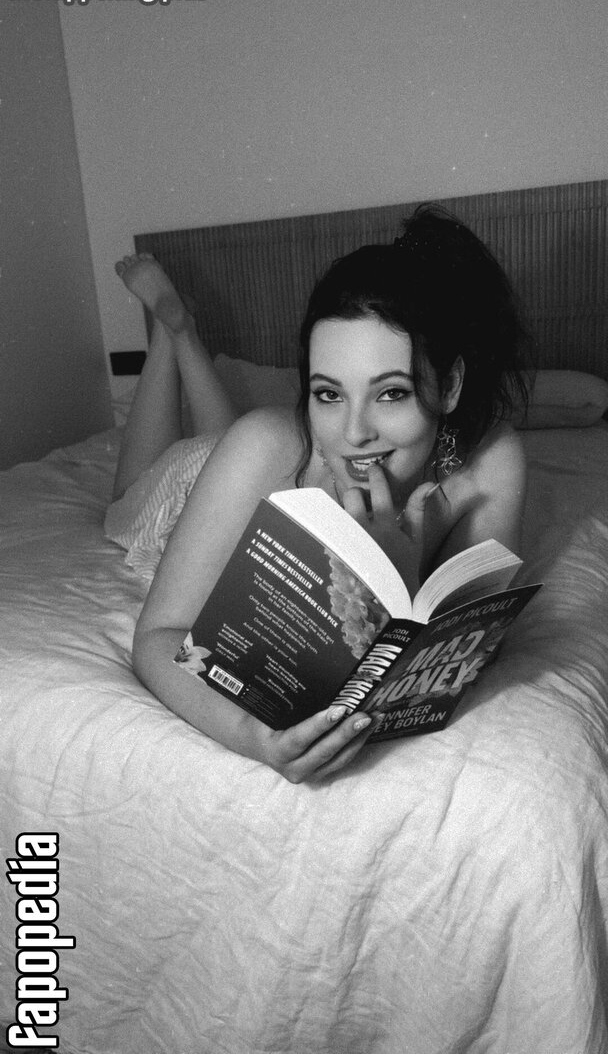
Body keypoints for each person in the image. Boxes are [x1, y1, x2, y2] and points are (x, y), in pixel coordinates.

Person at [109, 205, 530, 783]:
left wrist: (397, 571)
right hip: (196, 486)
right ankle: (172, 330)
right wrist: (254, 737)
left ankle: (183, 332)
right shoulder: (264, 445)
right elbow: (157, 638)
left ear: (450, 385)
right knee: (134, 486)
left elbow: (464, 648)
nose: (354, 433)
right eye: (328, 394)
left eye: (391, 393)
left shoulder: (491, 461)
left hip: (251, 457)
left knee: (235, 432)